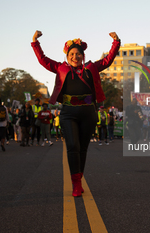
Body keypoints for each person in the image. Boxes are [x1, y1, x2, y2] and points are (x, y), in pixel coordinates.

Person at [31, 30, 120, 197]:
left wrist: (116, 43)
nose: (75, 56)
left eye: (78, 54)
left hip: (88, 112)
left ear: (82, 55)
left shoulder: (91, 68)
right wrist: (35, 42)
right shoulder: (60, 68)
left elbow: (108, 60)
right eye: (71, 54)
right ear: (67, 55)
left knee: (83, 148)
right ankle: (76, 184)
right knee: (73, 146)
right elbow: (43, 60)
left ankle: (79, 176)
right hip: (68, 113)